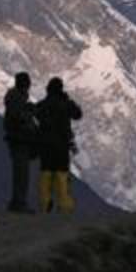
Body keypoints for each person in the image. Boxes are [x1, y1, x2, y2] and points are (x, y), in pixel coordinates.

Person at [35, 77, 83, 214]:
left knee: (46, 175)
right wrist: (68, 101)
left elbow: (35, 114)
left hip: (45, 147)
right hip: (62, 146)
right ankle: (65, 207)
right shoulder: (66, 104)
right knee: (62, 177)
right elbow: (78, 114)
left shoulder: (43, 105)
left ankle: (45, 205)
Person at [2, 71, 38, 213]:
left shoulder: (16, 99)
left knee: (21, 174)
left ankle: (18, 202)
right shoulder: (16, 100)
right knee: (21, 174)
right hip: (19, 141)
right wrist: (30, 112)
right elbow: (19, 118)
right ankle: (19, 204)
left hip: (19, 141)